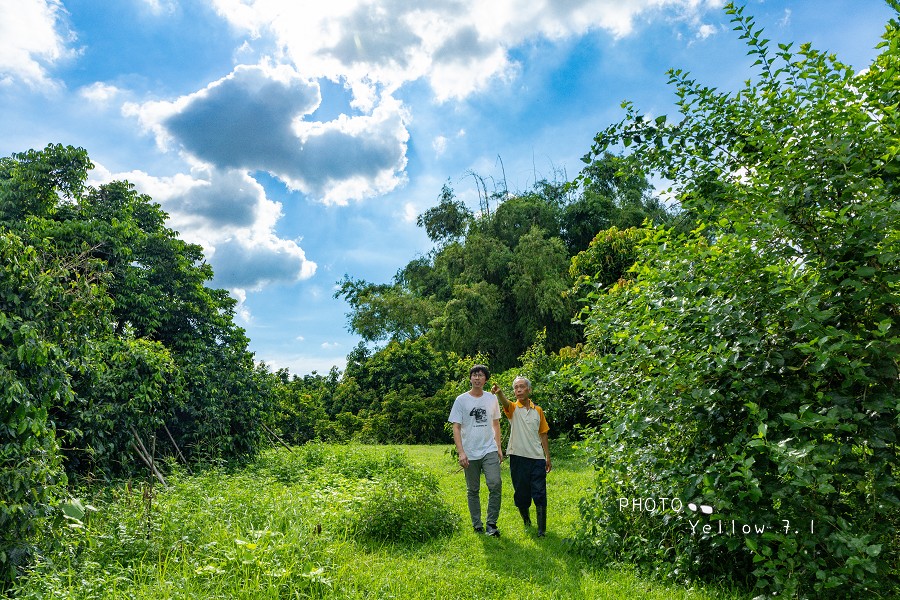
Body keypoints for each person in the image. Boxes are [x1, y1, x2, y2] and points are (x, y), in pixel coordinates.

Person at [492, 376, 551, 536]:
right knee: (521, 494)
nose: (518, 390)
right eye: (516, 387)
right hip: (518, 458)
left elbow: (543, 434)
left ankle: (541, 530)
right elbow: (505, 403)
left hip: (537, 459)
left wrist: (547, 457)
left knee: (540, 493)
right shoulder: (513, 409)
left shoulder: (538, 410)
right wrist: (499, 393)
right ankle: (526, 521)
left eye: (521, 387)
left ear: (529, 390)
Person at [449, 364, 504, 537]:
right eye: (474, 375)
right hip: (470, 451)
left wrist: (499, 447)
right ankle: (477, 524)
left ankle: (491, 523)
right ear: (470, 378)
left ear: (485, 380)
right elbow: (456, 427)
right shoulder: (461, 400)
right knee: (473, 489)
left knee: (495, 484)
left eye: (480, 375)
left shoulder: (491, 399)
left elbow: (496, 423)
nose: (477, 378)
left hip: (489, 449)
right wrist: (461, 452)